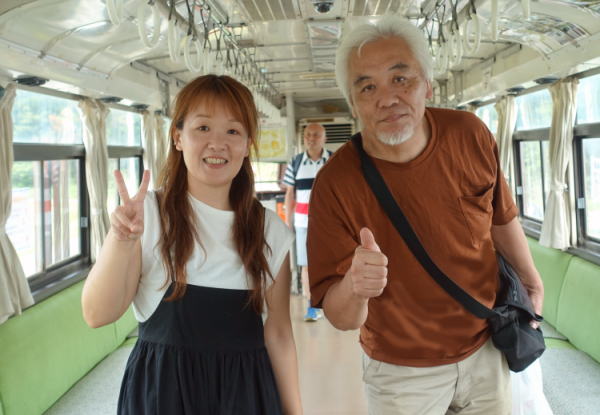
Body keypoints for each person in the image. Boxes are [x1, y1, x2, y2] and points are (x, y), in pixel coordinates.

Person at [307, 16, 545, 415]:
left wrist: (531, 280)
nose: (387, 99)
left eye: (401, 79)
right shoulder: (335, 184)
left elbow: (499, 217)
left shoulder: (469, 134)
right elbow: (340, 316)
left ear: (428, 84)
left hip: (486, 346)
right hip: (400, 371)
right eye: (367, 87)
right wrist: (355, 286)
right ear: (353, 104)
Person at [81, 75, 302, 415]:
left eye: (233, 131)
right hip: (163, 395)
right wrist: (121, 240)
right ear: (178, 137)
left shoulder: (269, 230)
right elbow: (98, 315)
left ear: (247, 144)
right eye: (203, 128)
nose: (217, 144)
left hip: (246, 394)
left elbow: (279, 334)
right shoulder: (147, 216)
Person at [283, 123, 332, 321]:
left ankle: (330, 302)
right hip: (302, 222)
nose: (311, 138)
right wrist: (288, 221)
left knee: (331, 263)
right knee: (306, 265)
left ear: (324, 138)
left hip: (330, 223)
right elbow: (289, 194)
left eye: (316, 135)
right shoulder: (295, 162)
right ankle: (312, 305)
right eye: (308, 135)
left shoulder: (333, 160)